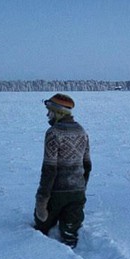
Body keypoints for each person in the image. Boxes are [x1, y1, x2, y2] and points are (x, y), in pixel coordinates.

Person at [34, 93, 91, 247]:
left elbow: (49, 169)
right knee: (71, 233)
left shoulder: (53, 133)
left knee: (41, 230)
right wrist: (80, 189)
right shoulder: (82, 131)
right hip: (77, 193)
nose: (47, 114)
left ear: (58, 112)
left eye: (49, 111)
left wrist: (42, 199)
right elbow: (87, 165)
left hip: (56, 194)